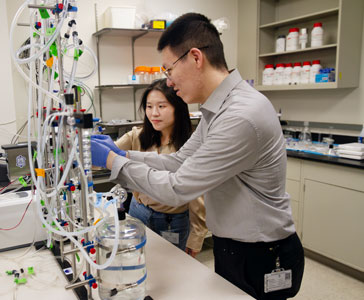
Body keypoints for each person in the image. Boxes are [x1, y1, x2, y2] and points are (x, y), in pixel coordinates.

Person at [91, 13, 304, 300]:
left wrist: (111, 162)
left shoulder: (241, 115)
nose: (169, 81)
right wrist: (123, 153)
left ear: (195, 57)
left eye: (169, 70)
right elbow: (179, 160)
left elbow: (178, 188)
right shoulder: (218, 109)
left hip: (261, 252)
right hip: (235, 245)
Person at [112, 79, 207, 255]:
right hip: (137, 211)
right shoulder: (137, 135)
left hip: (173, 221)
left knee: (172, 270)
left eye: (161, 106)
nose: (154, 113)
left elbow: (197, 196)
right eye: (149, 106)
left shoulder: (191, 144)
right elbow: (110, 154)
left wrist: (196, 236)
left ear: (177, 108)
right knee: (137, 261)